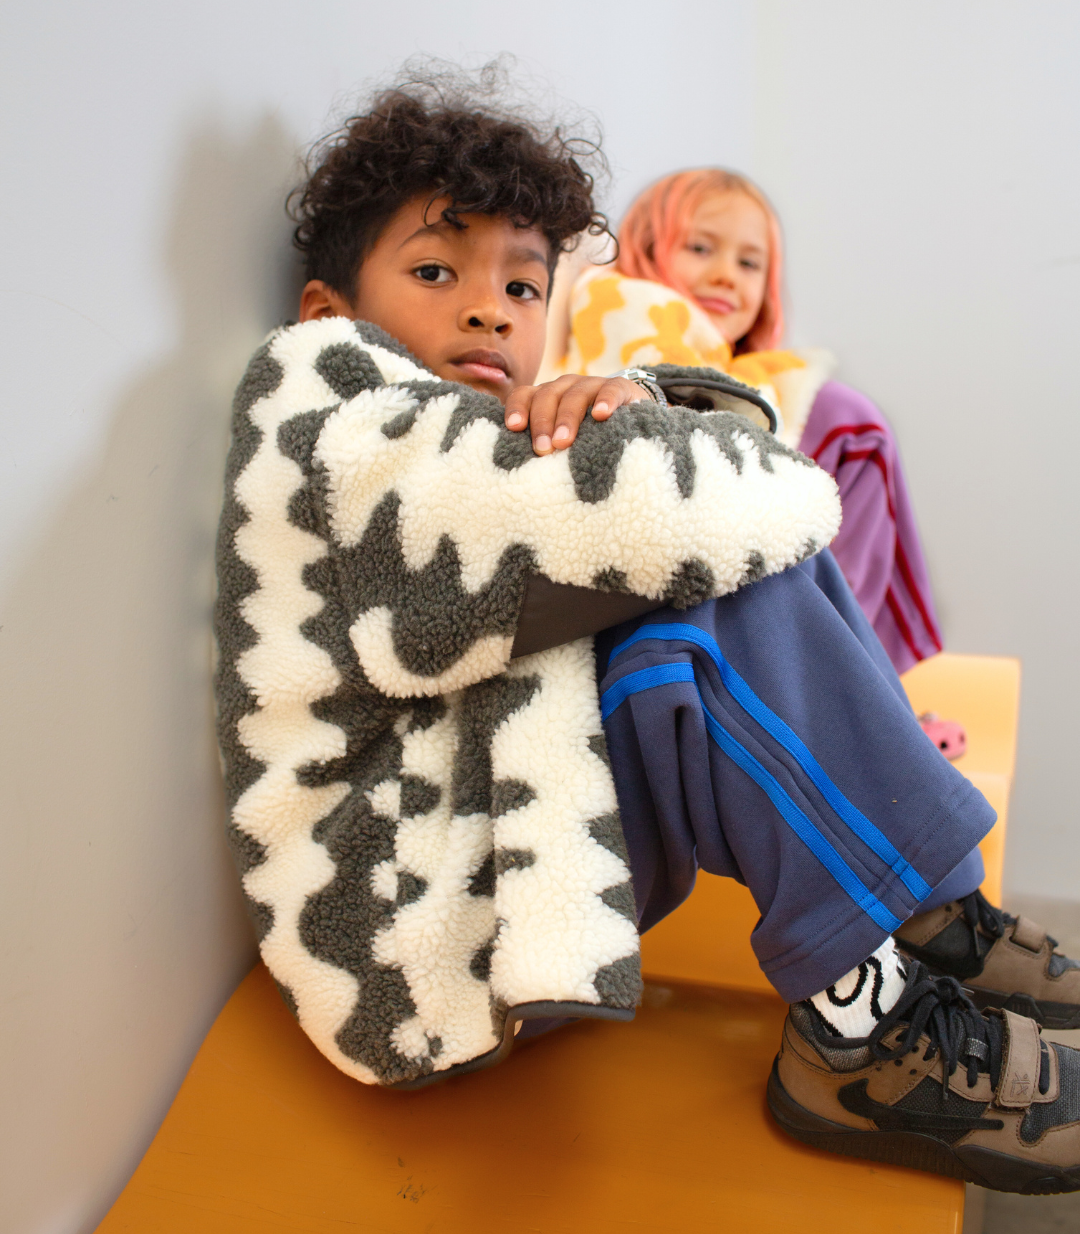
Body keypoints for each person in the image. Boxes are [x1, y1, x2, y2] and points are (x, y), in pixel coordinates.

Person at [214, 68, 1080, 1196]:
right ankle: (861, 1030)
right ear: (331, 313)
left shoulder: (467, 433)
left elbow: (732, 498)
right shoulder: (332, 413)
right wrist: (652, 416)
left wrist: (638, 405)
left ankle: (933, 924)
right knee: (707, 590)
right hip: (413, 943)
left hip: (504, 864)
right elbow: (729, 507)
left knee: (716, 563)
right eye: (436, 272)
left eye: (522, 287)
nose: (489, 311)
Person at [552, 169, 943, 677]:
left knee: (853, 425)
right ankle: (848, 662)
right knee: (851, 422)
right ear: (645, 249)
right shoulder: (619, 308)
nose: (726, 275)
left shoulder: (767, 379)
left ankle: (849, 658)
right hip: (659, 589)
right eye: (699, 248)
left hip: (772, 604)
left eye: (749, 263)